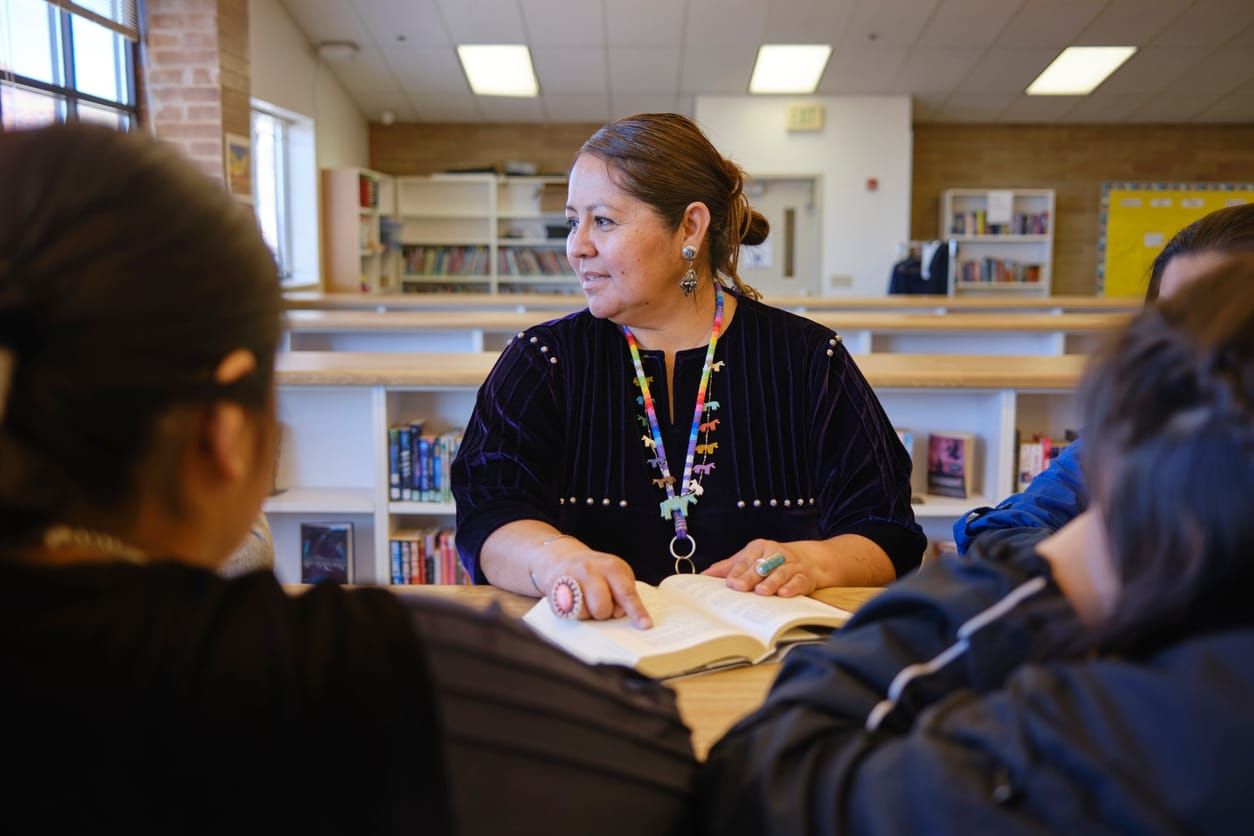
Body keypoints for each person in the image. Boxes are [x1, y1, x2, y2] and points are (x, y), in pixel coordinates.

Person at [0, 124, 696, 834]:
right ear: (227, 432)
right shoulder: (369, 672)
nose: (576, 243)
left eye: (600, 219)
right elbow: (664, 762)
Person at [696, 258, 1254, 834]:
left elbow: (764, 784)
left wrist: (1056, 568)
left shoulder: (1124, 730)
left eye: (605, 220)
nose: (589, 245)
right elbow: (997, 526)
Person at [452, 113, 924, 626]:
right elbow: (487, 516)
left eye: (603, 221)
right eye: (573, 222)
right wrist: (552, 558)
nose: (576, 246)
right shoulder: (542, 359)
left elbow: (888, 532)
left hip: (769, 672)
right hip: (590, 661)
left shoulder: (810, 359)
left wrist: (815, 561)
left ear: (691, 227)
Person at [953, 200, 1254, 554]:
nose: (1193, 350)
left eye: (1224, 324)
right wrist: (1095, 569)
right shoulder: (1143, 432)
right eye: (1173, 322)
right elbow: (1010, 526)